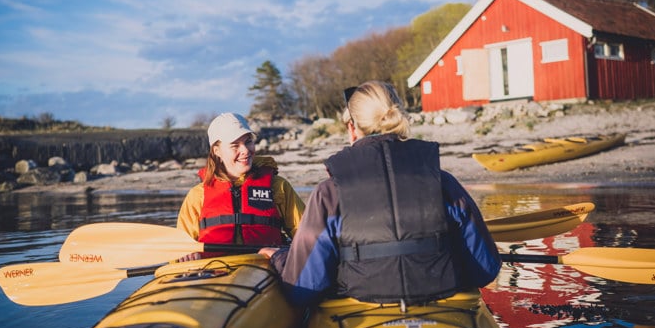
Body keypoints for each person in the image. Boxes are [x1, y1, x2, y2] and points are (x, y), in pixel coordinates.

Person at [261, 81, 501, 307]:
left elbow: (303, 287)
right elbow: (485, 269)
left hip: (359, 313)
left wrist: (281, 258)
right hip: (441, 307)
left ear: (351, 128)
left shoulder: (329, 194)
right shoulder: (444, 183)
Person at [177, 112, 306, 258]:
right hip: (213, 271)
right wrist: (186, 255)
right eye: (234, 145)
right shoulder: (197, 196)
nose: (245, 150)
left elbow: (309, 237)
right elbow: (180, 250)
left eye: (248, 141)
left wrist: (284, 253)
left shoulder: (278, 187)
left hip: (266, 267)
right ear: (217, 151)